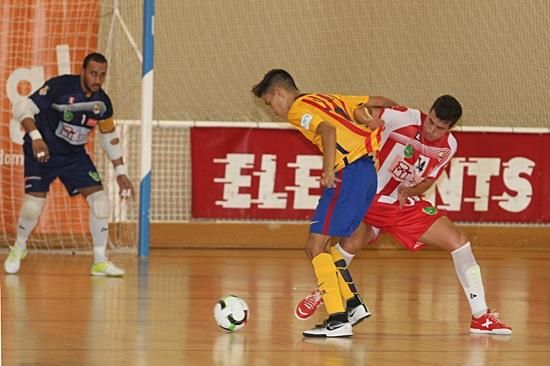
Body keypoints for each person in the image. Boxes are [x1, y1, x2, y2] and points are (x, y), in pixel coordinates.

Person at [295, 95, 512, 335]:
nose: (430, 129)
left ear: (450, 128)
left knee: (459, 243)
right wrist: (368, 121)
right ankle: (323, 292)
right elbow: (364, 110)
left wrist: (409, 191)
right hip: (368, 194)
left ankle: (481, 317)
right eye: (430, 121)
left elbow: (428, 179)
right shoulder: (401, 117)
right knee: (351, 243)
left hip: (400, 203)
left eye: (439, 127)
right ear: (427, 112)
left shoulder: (449, 147)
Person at [252, 69, 397, 337]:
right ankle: (353, 305)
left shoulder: (297, 109)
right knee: (327, 248)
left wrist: (328, 169)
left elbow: (327, 129)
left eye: (270, 103)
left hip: (348, 174)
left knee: (314, 246)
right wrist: (378, 115)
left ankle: (337, 319)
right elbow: (368, 102)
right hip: (366, 174)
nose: (273, 111)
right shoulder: (322, 98)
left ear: (279, 92)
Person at [4, 52, 135, 277]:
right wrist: (36, 138)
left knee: (101, 203)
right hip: (43, 150)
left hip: (74, 156)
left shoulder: (102, 103)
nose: (97, 79)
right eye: (93, 73)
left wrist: (120, 171)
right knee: (33, 205)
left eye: (102, 75)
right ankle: (19, 247)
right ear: (83, 71)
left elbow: (109, 136)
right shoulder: (60, 86)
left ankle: (100, 261)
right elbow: (23, 108)